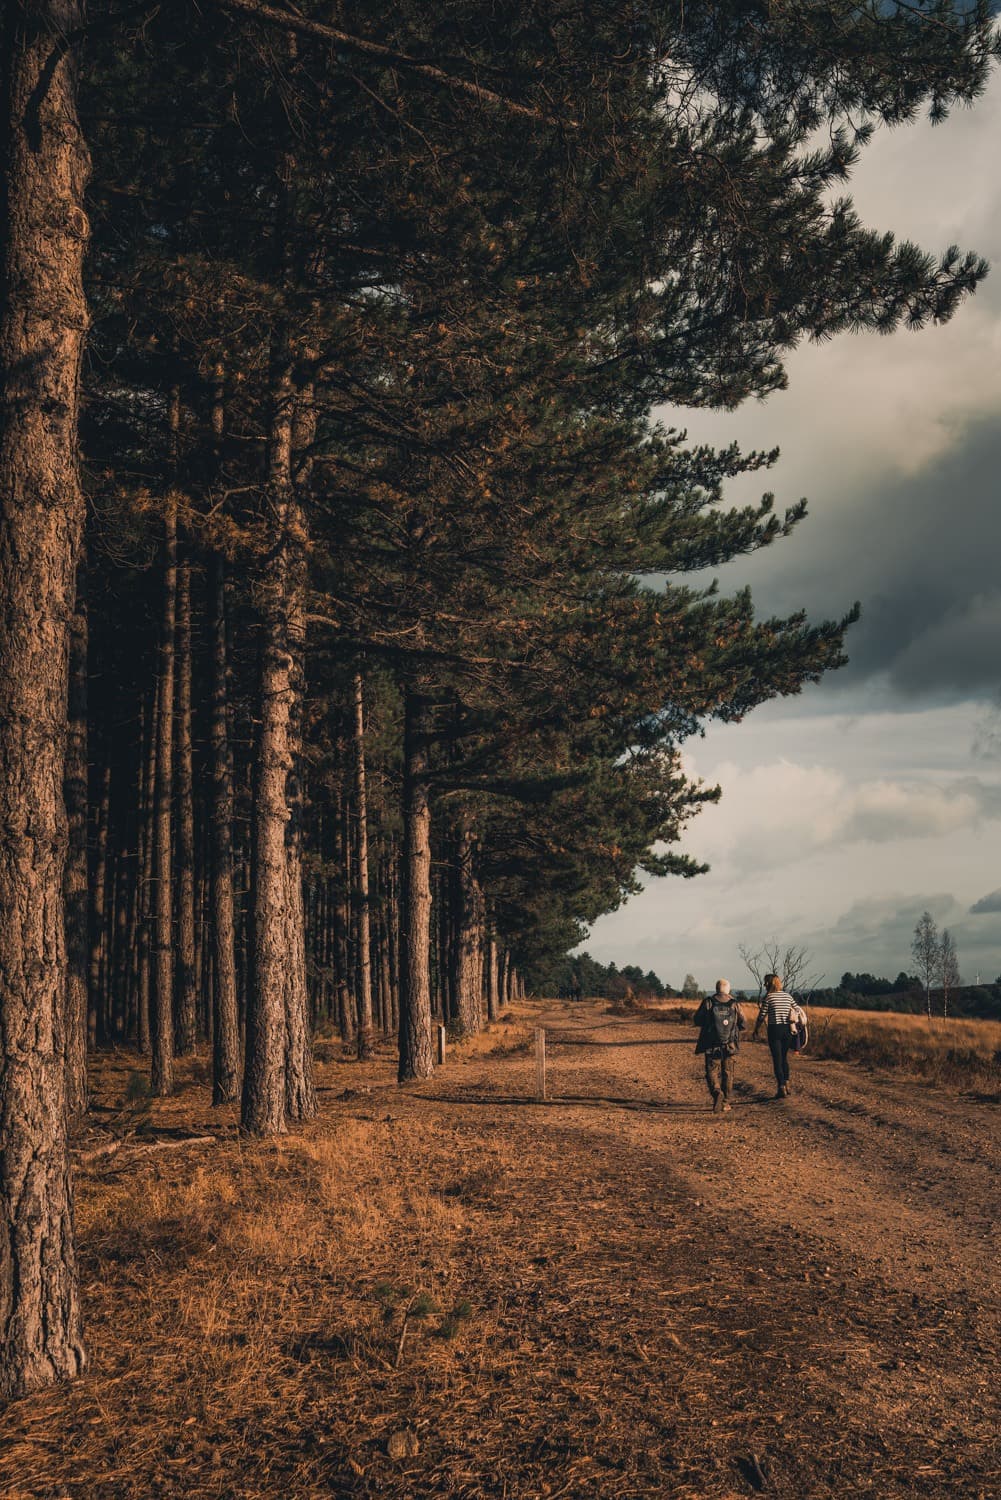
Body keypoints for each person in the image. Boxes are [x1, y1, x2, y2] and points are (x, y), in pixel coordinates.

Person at [694, 980, 746, 1113]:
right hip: (730, 1045)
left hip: (711, 1045)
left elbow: (697, 1020)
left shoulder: (708, 1002)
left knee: (711, 1071)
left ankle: (717, 1092)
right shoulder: (735, 1003)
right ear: (728, 989)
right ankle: (725, 1103)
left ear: (716, 988)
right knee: (728, 1073)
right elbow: (743, 1023)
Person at [752, 973, 796, 1098]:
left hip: (774, 1030)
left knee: (777, 1059)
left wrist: (756, 1029)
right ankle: (787, 1083)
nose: (764, 984)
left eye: (766, 982)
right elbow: (797, 1009)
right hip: (787, 1030)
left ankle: (781, 1086)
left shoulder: (769, 997)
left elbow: (762, 1016)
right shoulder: (788, 996)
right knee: (784, 1057)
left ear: (770, 983)